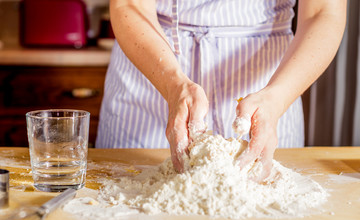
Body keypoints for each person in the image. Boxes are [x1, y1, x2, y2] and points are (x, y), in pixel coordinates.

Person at [96, 0, 347, 179]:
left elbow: (323, 12)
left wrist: (277, 97)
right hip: (152, 70)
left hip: (271, 81)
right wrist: (173, 85)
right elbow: (129, 5)